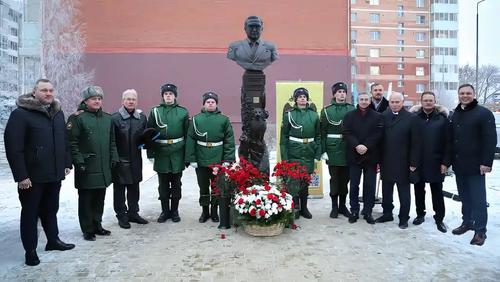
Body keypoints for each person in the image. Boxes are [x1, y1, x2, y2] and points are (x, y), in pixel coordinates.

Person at [4, 79, 75, 266]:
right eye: (44, 90)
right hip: (32, 177)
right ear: (34, 92)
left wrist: (66, 162)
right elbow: (13, 147)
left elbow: (64, 141)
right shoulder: (21, 114)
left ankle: (53, 241)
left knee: (51, 210)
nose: (49, 93)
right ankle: (31, 251)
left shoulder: (58, 114)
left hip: (54, 173)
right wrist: (21, 176)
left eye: (51, 90)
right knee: (30, 213)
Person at [66, 85, 118, 241]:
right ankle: (87, 229)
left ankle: (97, 225)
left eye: (99, 98)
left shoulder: (107, 118)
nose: (97, 101)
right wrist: (79, 161)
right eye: (94, 98)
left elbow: (112, 141)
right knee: (86, 199)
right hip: (87, 166)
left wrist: (114, 156)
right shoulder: (77, 118)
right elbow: (72, 142)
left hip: (103, 167)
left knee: (99, 198)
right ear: (86, 100)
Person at [450, 84, 497, 246]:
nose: (465, 96)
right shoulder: (456, 114)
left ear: (474, 94)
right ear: (459, 95)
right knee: (465, 197)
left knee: (478, 199)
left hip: (477, 165)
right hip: (459, 164)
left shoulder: (484, 113)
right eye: (462, 93)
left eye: (468, 93)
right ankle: (467, 222)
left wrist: (486, 162)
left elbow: (490, 140)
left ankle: (480, 230)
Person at [185, 92, 236, 223]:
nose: (210, 103)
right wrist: (192, 158)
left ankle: (214, 212)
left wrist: (227, 160)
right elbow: (190, 139)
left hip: (217, 159)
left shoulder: (224, 120)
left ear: (216, 103)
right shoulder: (196, 119)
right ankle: (204, 211)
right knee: (202, 187)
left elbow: (229, 140)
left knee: (216, 187)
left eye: (213, 101)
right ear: (204, 103)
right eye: (208, 101)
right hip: (201, 159)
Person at [376, 92, 420, 229]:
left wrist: (413, 163)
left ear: (402, 102)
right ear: (389, 103)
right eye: (392, 102)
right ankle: (387, 213)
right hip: (386, 160)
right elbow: (379, 139)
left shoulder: (411, 118)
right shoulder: (383, 116)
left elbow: (416, 143)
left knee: (404, 192)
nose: (395, 105)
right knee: (386, 190)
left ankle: (403, 217)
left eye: (397, 102)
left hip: (404, 162)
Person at [409, 91, 451, 233]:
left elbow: (448, 143)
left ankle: (439, 218)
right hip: (418, 162)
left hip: (436, 162)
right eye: (425, 100)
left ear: (435, 101)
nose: (428, 102)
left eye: (430, 100)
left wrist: (445, 162)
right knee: (418, 190)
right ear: (421, 102)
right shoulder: (414, 118)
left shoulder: (442, 119)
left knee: (437, 191)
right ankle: (420, 214)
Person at [147, 83, 189, 223]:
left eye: (171, 94)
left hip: (178, 152)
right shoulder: (155, 112)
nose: (168, 96)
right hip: (161, 153)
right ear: (162, 96)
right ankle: (165, 211)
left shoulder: (183, 112)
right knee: (163, 185)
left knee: (177, 184)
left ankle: (175, 211)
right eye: (166, 94)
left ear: (175, 96)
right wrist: (151, 154)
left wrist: (187, 156)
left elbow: (188, 135)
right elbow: (149, 134)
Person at [343, 92, 384, 224]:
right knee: (354, 185)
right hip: (354, 155)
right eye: (362, 99)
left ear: (370, 100)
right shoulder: (349, 115)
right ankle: (354, 210)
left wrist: (366, 145)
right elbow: (346, 132)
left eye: (366, 99)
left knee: (369, 185)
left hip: (371, 155)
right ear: (358, 100)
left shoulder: (377, 116)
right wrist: (357, 145)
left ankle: (368, 211)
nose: (364, 101)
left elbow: (378, 133)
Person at [280, 87, 321, 219]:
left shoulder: (314, 115)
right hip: (294, 152)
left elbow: (319, 136)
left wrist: (317, 154)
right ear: (295, 99)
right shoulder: (289, 114)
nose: (302, 99)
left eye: (304, 96)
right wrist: (285, 157)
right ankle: (295, 208)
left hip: (309, 151)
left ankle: (304, 208)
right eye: (300, 97)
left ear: (307, 99)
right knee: (293, 182)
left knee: (305, 182)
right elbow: (284, 138)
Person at [111, 89, 148, 229]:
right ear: (123, 101)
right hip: (120, 160)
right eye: (128, 99)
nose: (131, 101)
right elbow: (111, 141)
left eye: (133, 99)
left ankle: (133, 213)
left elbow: (145, 137)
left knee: (134, 188)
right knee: (119, 190)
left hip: (136, 159)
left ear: (136, 101)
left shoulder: (142, 118)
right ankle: (121, 215)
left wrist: (147, 143)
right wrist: (114, 159)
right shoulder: (114, 118)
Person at [320, 82, 355, 218]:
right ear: (334, 94)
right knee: (334, 179)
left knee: (346, 179)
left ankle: (342, 206)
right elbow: (322, 132)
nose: (341, 94)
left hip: (348, 148)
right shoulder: (327, 110)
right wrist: (323, 150)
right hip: (333, 148)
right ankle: (334, 207)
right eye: (339, 92)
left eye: (343, 92)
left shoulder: (352, 109)